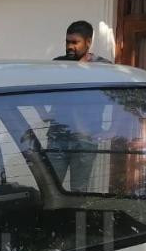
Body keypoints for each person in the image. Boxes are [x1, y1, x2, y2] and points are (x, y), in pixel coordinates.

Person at [44, 22, 111, 192]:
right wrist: (43, 113)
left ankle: (77, 220)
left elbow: (119, 99)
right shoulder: (57, 65)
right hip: (57, 137)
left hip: (85, 140)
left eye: (75, 42)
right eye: (67, 42)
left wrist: (112, 128)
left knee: (79, 191)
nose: (69, 47)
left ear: (88, 42)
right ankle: (54, 220)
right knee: (50, 190)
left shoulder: (103, 67)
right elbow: (39, 92)